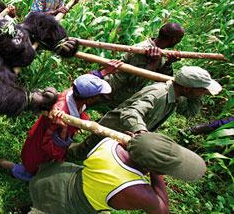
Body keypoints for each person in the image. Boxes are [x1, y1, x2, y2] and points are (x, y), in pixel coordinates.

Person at [27, 132, 206, 214]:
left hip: (57, 178)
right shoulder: (134, 189)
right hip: (64, 207)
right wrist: (156, 171)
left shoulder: (109, 144)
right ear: (150, 167)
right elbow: (163, 209)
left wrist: (144, 149)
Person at [67, 66, 222, 161]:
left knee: (97, 155)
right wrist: (141, 131)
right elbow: (131, 112)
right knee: (82, 152)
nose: (203, 93)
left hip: (126, 134)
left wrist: (198, 94)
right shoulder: (158, 94)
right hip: (114, 127)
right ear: (187, 88)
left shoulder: (178, 96)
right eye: (201, 90)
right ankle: (53, 157)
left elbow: (190, 113)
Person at [0, 64, 120, 181]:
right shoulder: (61, 116)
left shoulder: (72, 93)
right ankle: (12, 168)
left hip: (37, 140)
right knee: (34, 170)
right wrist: (64, 131)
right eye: (98, 95)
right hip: (40, 151)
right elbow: (52, 149)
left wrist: (102, 73)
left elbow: (83, 83)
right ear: (90, 98)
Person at [99, 23, 185, 109]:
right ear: (174, 40)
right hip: (111, 92)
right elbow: (135, 81)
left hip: (120, 94)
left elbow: (163, 80)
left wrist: (168, 63)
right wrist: (154, 63)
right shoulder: (143, 50)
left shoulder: (158, 51)